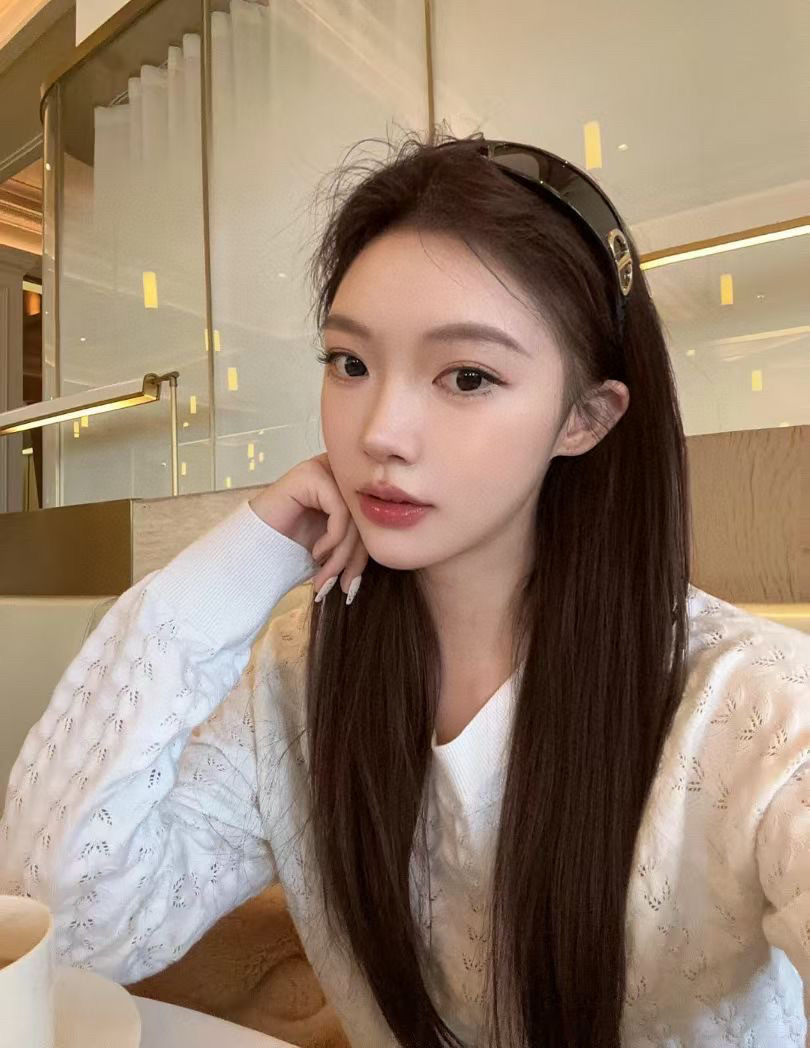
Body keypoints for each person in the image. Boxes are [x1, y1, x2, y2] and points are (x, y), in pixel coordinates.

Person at [1, 130, 808, 1048]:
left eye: (467, 376)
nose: (380, 431)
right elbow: (73, 923)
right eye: (350, 363)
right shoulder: (301, 674)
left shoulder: (753, 709)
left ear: (584, 419)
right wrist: (239, 563)